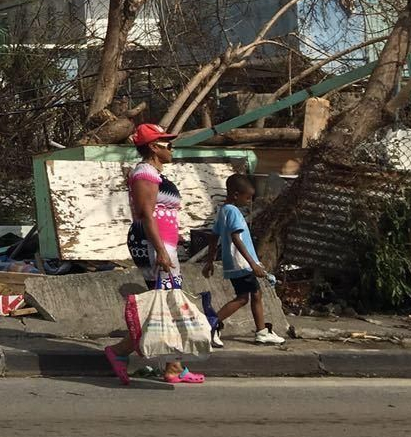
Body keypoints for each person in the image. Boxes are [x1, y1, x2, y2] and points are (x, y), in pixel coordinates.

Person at [103, 123, 205, 385]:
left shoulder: (157, 174)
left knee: (170, 302)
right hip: (152, 245)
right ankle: (120, 352)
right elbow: (146, 214)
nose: (171, 147)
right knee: (166, 303)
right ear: (153, 147)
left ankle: (173, 366)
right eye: (166, 143)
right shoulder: (144, 173)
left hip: (164, 244)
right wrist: (160, 250)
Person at [203, 173, 285, 347]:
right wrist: (252, 263)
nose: (249, 202)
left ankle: (262, 331)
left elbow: (213, 237)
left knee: (255, 294)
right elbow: (236, 238)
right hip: (241, 263)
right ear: (235, 195)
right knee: (243, 298)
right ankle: (212, 324)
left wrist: (210, 261)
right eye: (247, 198)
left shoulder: (223, 210)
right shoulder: (233, 211)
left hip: (233, 263)